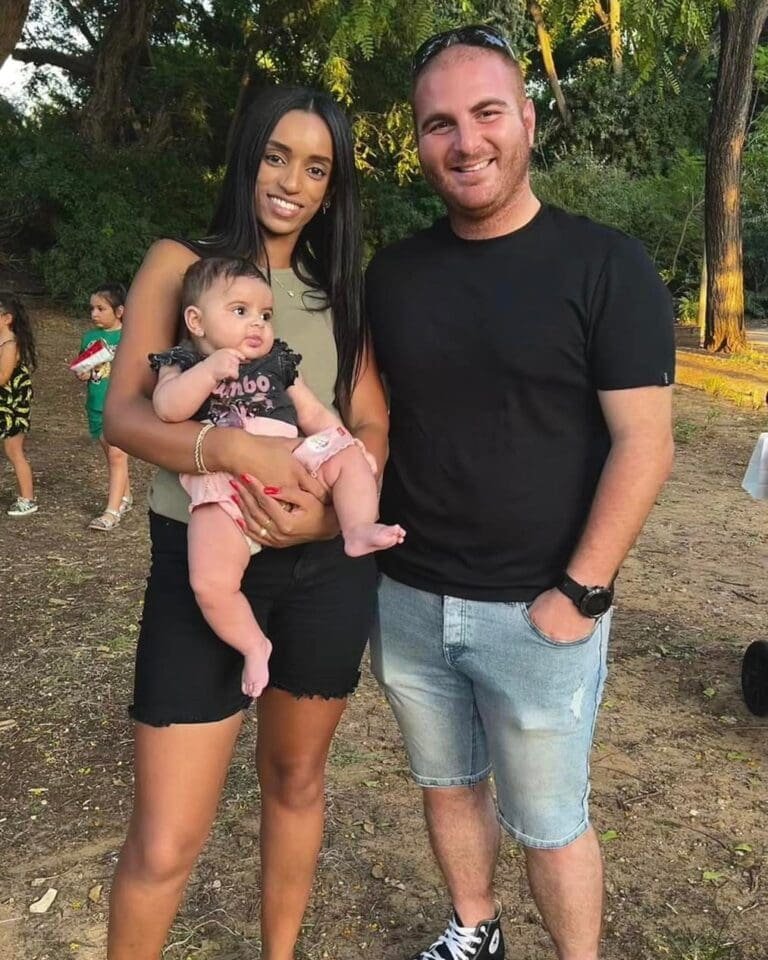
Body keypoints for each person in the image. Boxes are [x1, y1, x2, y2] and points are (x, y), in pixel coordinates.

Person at [366, 25, 675, 960]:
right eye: (439, 124)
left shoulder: (607, 267)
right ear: (418, 142)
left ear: (527, 120)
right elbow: (372, 423)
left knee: (549, 821)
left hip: (540, 613)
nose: (466, 142)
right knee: (447, 782)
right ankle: (474, 929)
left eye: (486, 113)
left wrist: (579, 593)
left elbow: (645, 445)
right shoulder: (395, 273)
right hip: (409, 598)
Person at [104, 85, 389, 960]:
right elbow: (125, 417)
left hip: (323, 577)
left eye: (317, 168)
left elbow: (371, 421)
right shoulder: (178, 266)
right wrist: (229, 455)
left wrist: (319, 520)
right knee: (166, 840)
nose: (292, 182)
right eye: (277, 155)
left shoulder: (336, 287)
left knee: (296, 782)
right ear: (246, 155)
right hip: (204, 568)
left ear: (333, 189)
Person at [150, 255, 404, 697]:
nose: (258, 325)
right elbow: (167, 409)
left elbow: (311, 413)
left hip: (296, 457)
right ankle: (253, 645)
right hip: (224, 489)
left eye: (265, 315)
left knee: (350, 458)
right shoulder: (183, 361)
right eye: (240, 311)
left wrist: (344, 442)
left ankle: (358, 528)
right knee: (209, 583)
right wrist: (209, 372)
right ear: (196, 320)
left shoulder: (278, 361)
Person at [75, 284, 133, 530]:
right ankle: (125, 497)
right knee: (110, 454)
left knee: (118, 454)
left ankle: (111, 512)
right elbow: (83, 370)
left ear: (120, 310)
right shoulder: (89, 338)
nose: (94, 314)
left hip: (122, 406)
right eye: (92, 309)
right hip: (96, 404)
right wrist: (83, 373)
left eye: (101, 308)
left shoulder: (131, 337)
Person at [0, 291, 38, 516]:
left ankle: (27, 499)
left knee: (14, 450)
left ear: (7, 318)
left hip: (12, 407)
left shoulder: (10, 344)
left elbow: (3, 377)